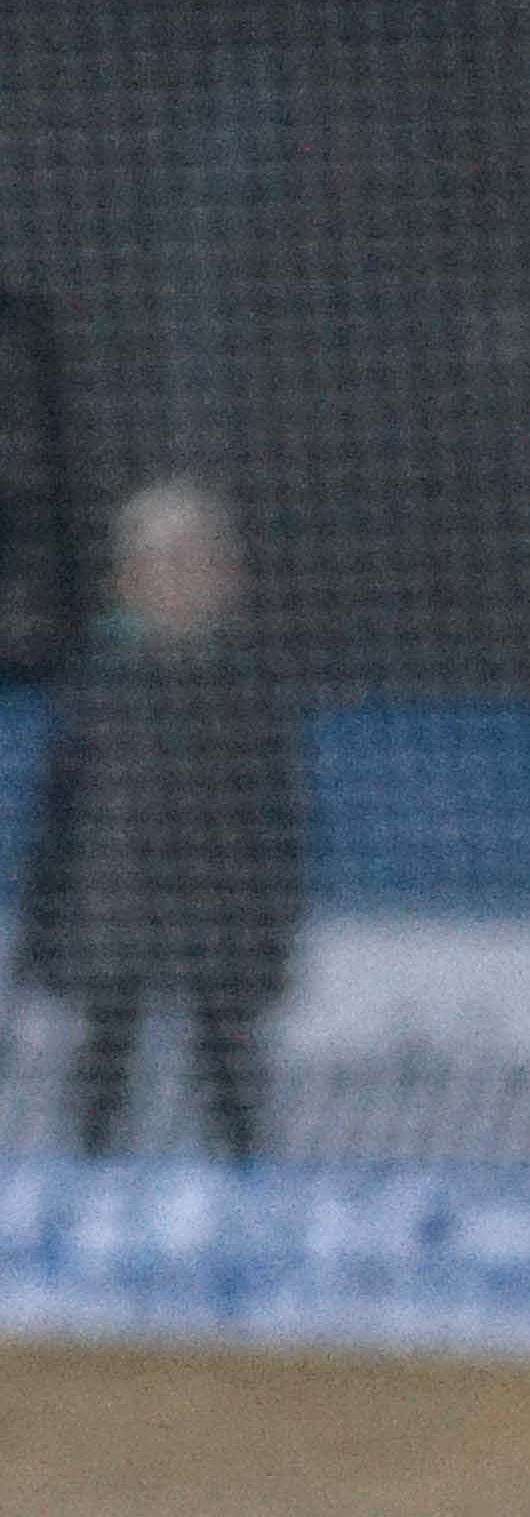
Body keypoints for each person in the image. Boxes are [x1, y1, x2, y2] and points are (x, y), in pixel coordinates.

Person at [15, 478, 300, 1158]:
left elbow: (280, 822)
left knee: (231, 1088)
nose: (178, 580)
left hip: (222, 921)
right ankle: (91, 1195)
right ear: (128, 577)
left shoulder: (250, 688)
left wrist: (274, 930)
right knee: (101, 1085)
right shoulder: (98, 683)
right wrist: (41, 932)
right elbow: (60, 817)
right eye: (161, 563)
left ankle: (240, 1198)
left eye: (195, 562)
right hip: (114, 920)